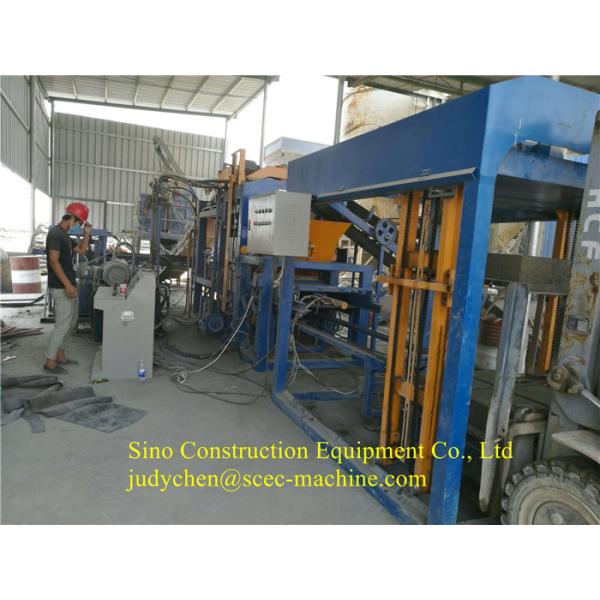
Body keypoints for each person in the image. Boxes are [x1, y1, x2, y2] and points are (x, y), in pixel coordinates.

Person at [43, 202, 92, 373]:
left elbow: (82, 251)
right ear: (72, 218)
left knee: (70, 323)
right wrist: (68, 285)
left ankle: (61, 356)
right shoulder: (55, 234)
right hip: (61, 287)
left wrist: (86, 233)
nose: (78, 225)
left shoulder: (64, 235)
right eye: (79, 223)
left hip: (68, 285)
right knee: (62, 325)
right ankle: (50, 362)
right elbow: (53, 261)